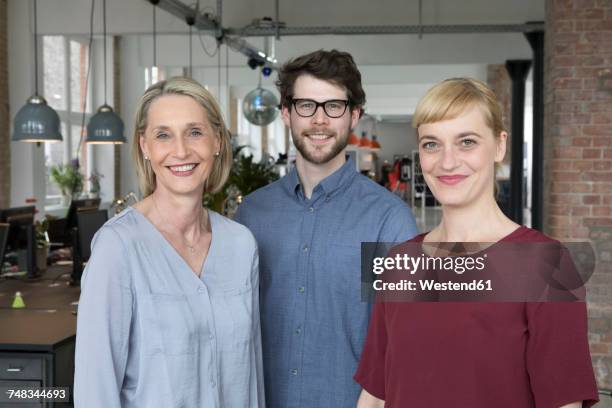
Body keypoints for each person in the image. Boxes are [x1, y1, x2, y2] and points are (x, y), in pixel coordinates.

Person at [355, 78, 599, 408]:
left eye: (466, 142)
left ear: (499, 146)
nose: (447, 161)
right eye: (431, 144)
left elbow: (563, 403)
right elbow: (376, 393)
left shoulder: (547, 264)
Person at [234, 50, 418, 408]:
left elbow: (405, 343)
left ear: (354, 115)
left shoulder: (387, 221)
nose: (319, 120)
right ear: (286, 113)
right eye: (306, 105)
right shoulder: (252, 216)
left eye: (333, 106)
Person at [74, 77, 265, 407]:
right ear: (145, 147)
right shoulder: (118, 247)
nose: (181, 151)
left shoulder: (240, 245)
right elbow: (96, 391)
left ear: (217, 140)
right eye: (163, 135)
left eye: (194, 132)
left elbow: (251, 378)